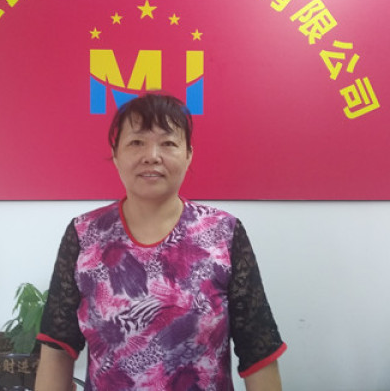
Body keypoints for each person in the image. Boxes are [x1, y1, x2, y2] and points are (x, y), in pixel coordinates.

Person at [35, 93, 286, 391]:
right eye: (136, 142)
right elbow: (57, 348)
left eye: (168, 143)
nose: (152, 156)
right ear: (116, 155)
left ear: (188, 154)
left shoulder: (224, 233)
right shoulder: (84, 234)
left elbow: (258, 350)